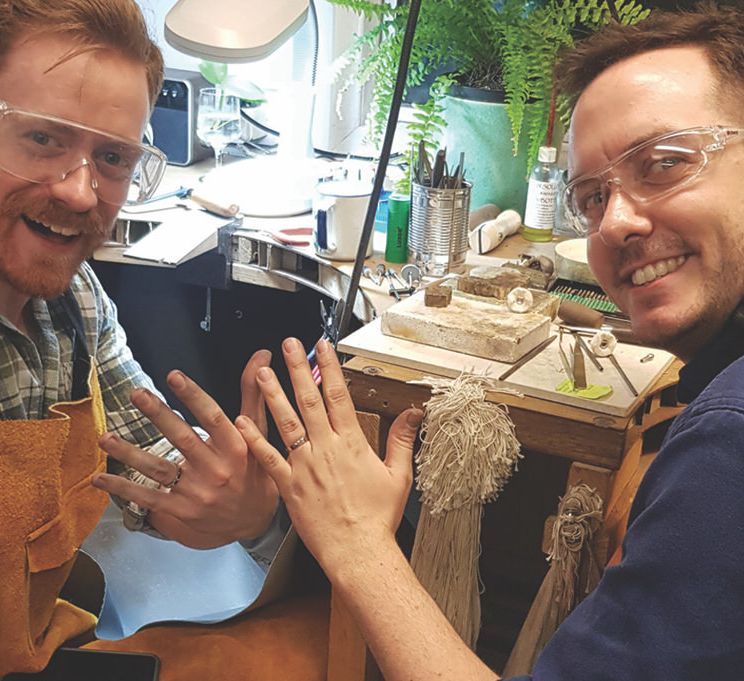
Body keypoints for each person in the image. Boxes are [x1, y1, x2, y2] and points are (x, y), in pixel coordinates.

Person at [221, 2, 744, 680]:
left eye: (664, 163)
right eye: (591, 197)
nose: (615, 223)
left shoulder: (727, 443)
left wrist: (356, 543)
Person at [0, 0, 282, 674]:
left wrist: (244, 507)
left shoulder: (73, 303)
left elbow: (150, 470)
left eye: (114, 157)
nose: (79, 191)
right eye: (44, 139)